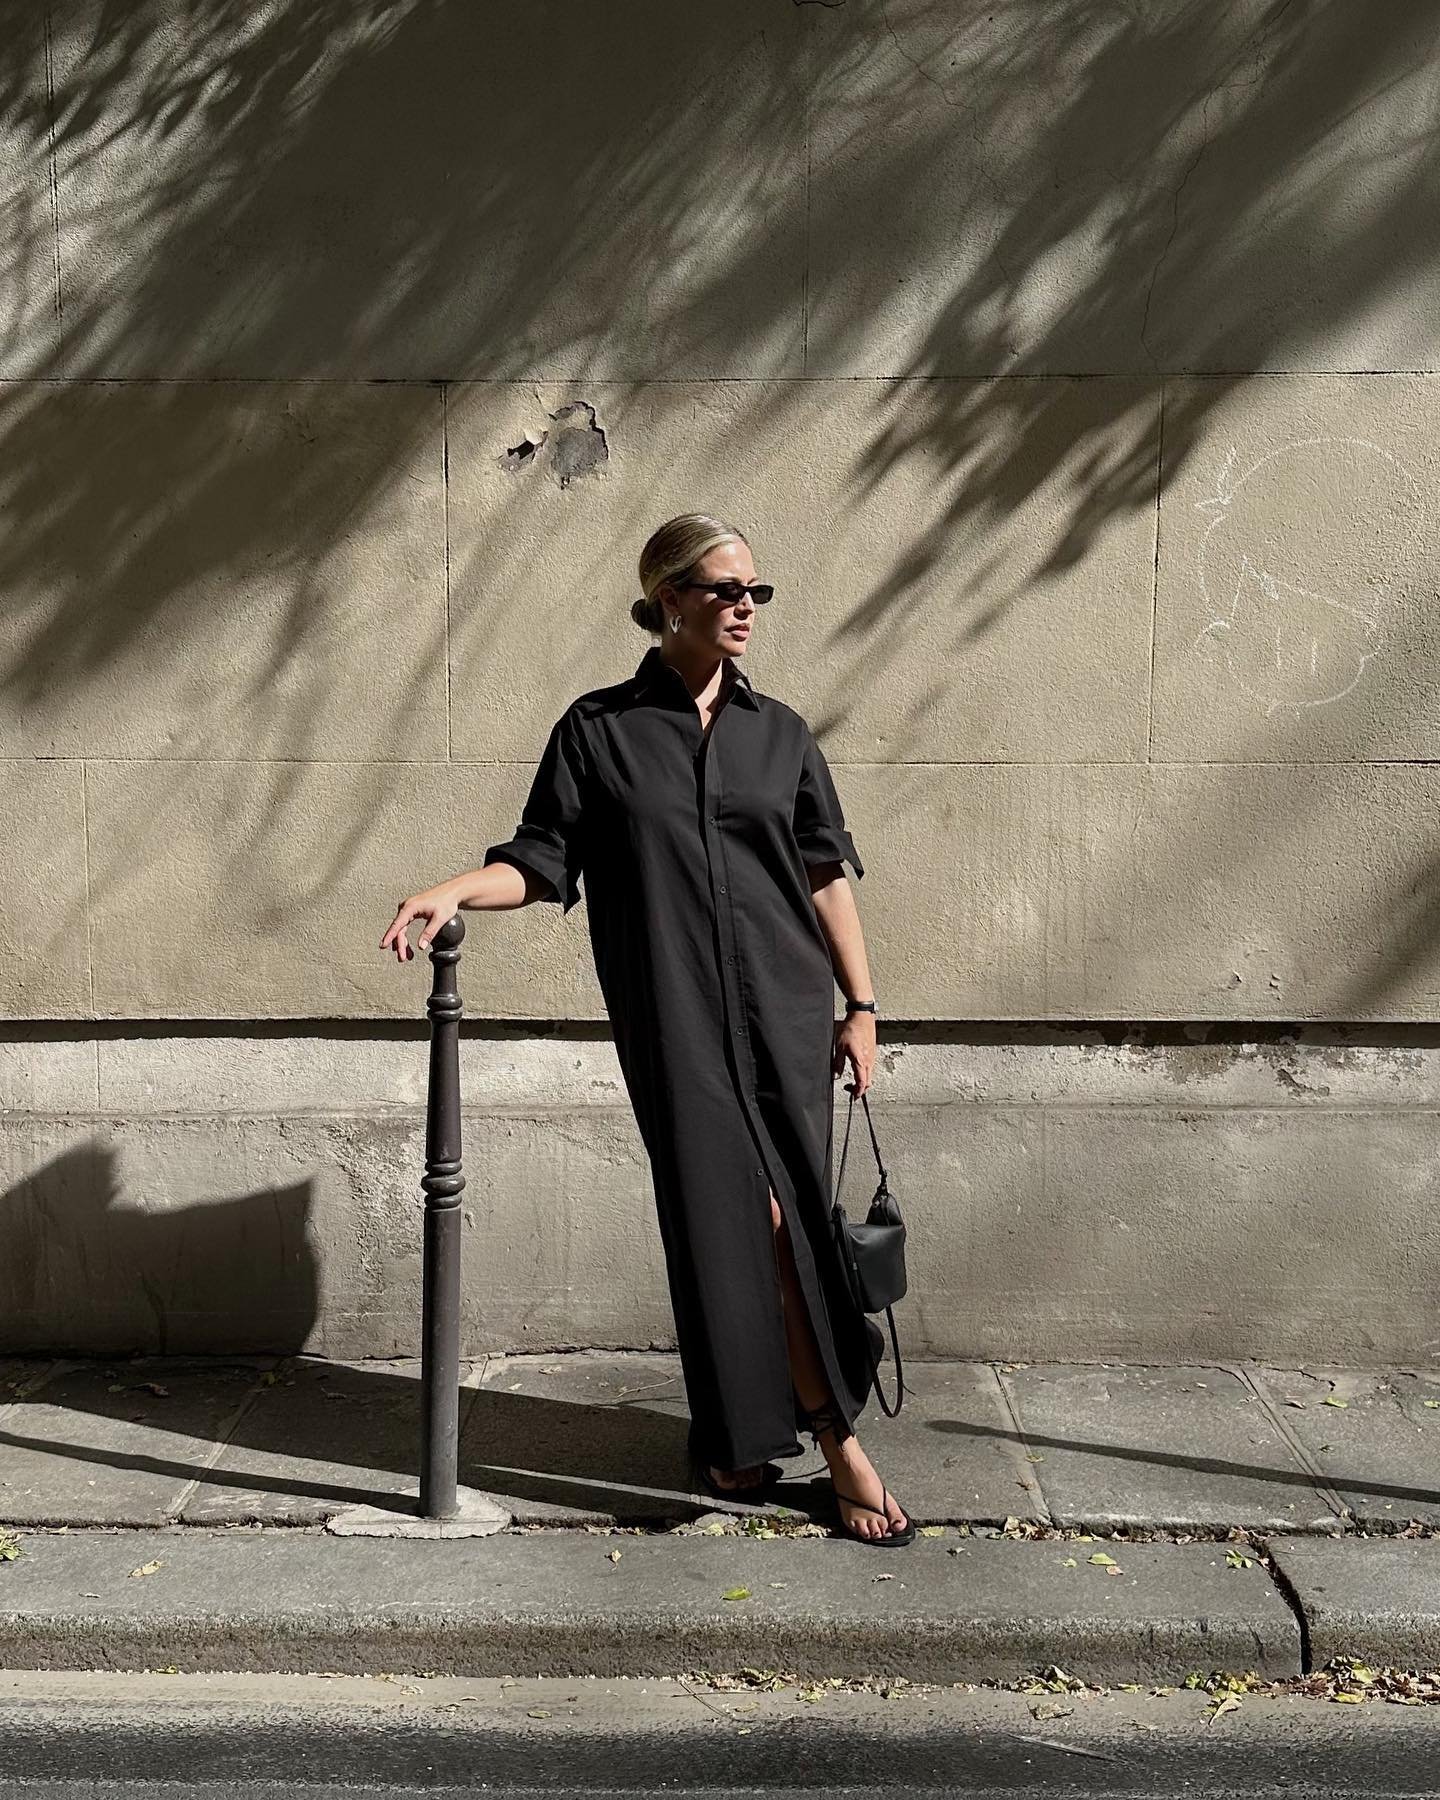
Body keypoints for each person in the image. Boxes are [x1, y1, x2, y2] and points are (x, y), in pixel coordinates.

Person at [381, 514, 912, 1546]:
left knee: (787, 1219)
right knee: (726, 1224)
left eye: (756, 591)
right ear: (670, 598)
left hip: (788, 1013)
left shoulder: (782, 734)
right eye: (724, 590)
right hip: (674, 1022)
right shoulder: (600, 731)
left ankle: (777, 1444)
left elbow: (823, 876)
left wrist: (862, 1006)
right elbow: (540, 862)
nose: (744, 608)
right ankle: (798, 1439)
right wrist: (449, 888)